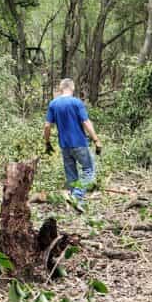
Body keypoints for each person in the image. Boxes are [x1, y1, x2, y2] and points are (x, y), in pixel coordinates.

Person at [44, 78, 102, 208]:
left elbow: (47, 126)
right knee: (89, 171)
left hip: (64, 145)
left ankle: (77, 203)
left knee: (71, 175)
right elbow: (86, 122)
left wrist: (47, 143)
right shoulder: (76, 103)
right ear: (72, 88)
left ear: (61, 88)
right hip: (79, 143)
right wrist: (96, 140)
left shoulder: (53, 104)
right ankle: (77, 196)